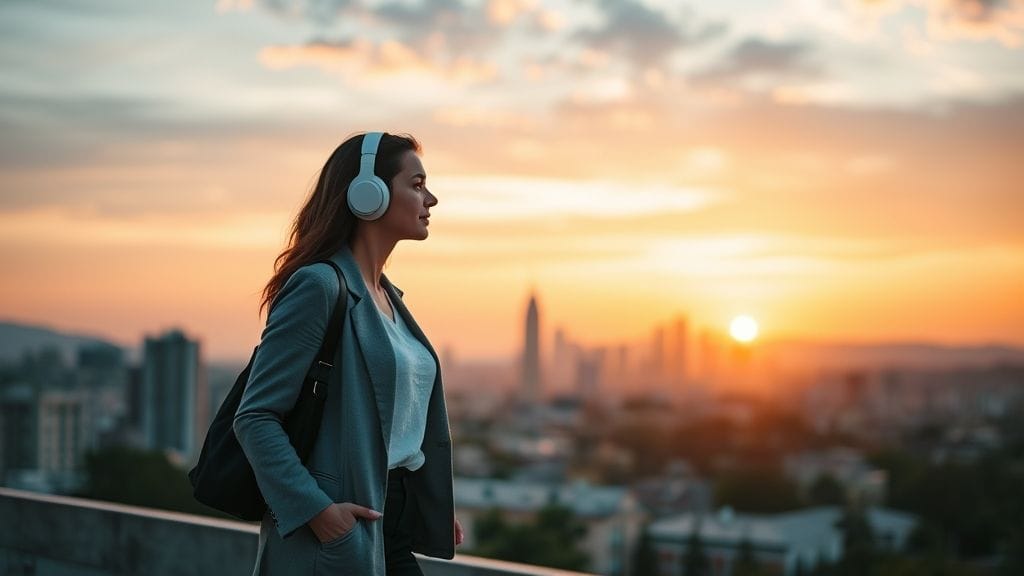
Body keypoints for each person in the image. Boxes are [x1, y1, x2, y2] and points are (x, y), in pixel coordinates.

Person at [234, 132, 463, 575]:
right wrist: (318, 513)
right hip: (341, 529)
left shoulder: (388, 298)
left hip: (390, 523)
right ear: (368, 194)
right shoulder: (319, 286)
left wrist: (421, 502)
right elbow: (256, 417)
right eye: (416, 185)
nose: (431, 199)